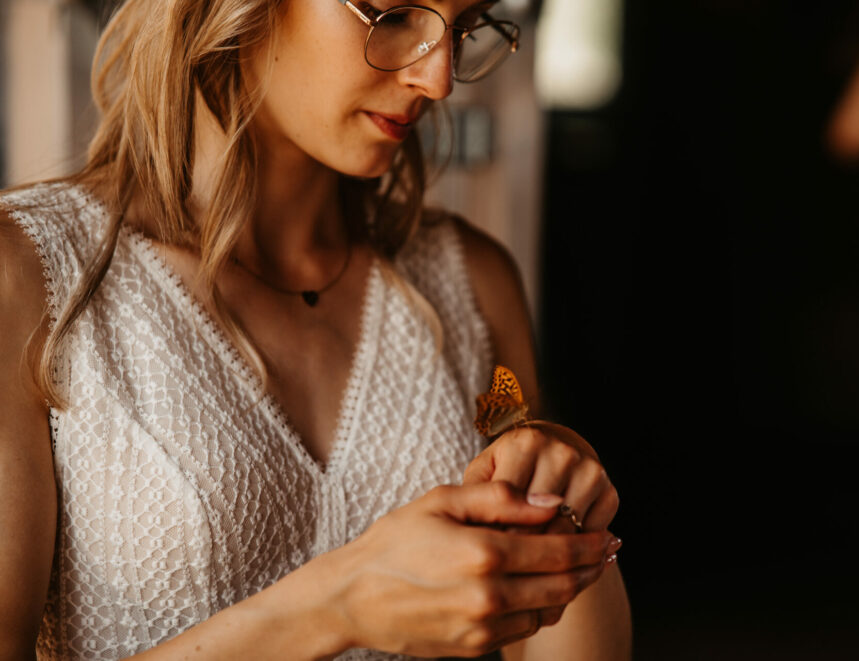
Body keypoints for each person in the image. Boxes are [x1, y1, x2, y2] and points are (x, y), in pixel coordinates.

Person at [0, 0, 631, 659]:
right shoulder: (28, 276)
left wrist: (566, 514)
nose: (438, 79)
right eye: (390, 15)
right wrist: (337, 605)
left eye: (466, 26)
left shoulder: (471, 281)